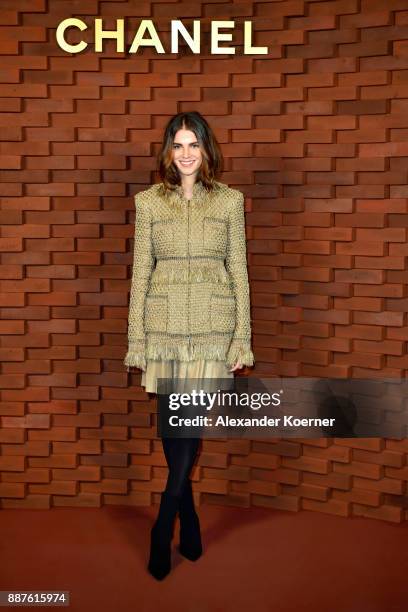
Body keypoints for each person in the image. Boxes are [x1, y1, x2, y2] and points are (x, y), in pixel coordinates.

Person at [124, 111, 255, 580]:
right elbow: (140, 274)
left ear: (206, 151)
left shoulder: (229, 201)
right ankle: (190, 515)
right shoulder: (149, 203)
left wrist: (242, 337)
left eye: (193, 145)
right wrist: (135, 339)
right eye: (178, 145)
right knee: (175, 428)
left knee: (188, 425)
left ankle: (164, 521)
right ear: (167, 151)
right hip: (161, 326)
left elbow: (239, 270)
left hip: (212, 326)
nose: (185, 154)